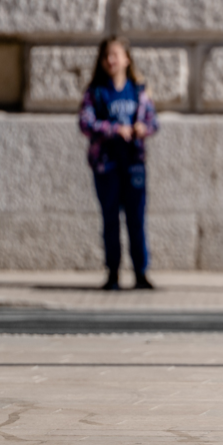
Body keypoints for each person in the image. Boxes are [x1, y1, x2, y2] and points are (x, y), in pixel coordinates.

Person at [78, 37, 159, 291]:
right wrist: (115, 129)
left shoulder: (138, 91)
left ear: (127, 58)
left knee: (136, 219)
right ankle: (112, 272)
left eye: (115, 54)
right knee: (110, 219)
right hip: (106, 165)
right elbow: (85, 122)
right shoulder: (96, 92)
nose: (111, 60)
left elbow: (153, 122)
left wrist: (141, 128)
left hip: (133, 163)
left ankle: (140, 272)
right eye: (106, 56)